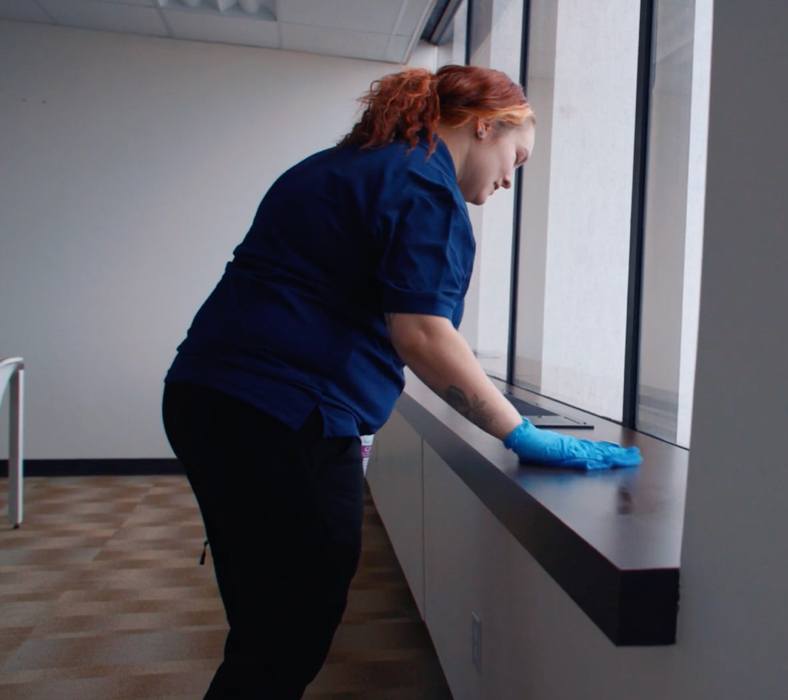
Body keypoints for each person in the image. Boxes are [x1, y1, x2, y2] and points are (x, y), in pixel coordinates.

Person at [161, 65, 642, 699]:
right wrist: (521, 433)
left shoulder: (339, 165)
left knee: (263, 617)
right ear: (485, 125)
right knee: (289, 634)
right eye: (516, 158)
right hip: (284, 417)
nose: (508, 178)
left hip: (207, 397)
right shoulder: (423, 187)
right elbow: (422, 334)